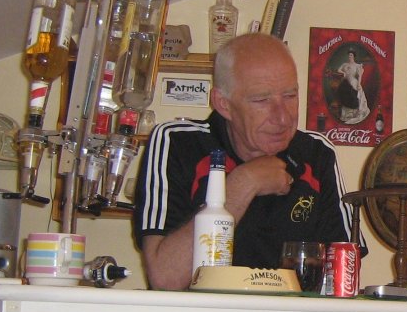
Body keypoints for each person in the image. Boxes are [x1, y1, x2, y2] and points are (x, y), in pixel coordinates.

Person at [133, 33, 359, 290]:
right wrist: (243, 183)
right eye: (261, 100)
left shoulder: (317, 154)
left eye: (290, 96)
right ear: (223, 104)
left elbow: (343, 278)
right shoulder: (178, 143)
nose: (282, 118)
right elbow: (165, 279)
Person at [335, 49, 370, 124]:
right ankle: (347, 116)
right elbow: (338, 70)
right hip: (345, 83)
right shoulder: (345, 64)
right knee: (345, 97)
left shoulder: (357, 65)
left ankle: (355, 114)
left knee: (355, 96)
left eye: (351, 55)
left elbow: (360, 76)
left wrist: (358, 84)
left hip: (354, 82)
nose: (349, 56)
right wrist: (343, 72)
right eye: (349, 55)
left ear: (354, 56)